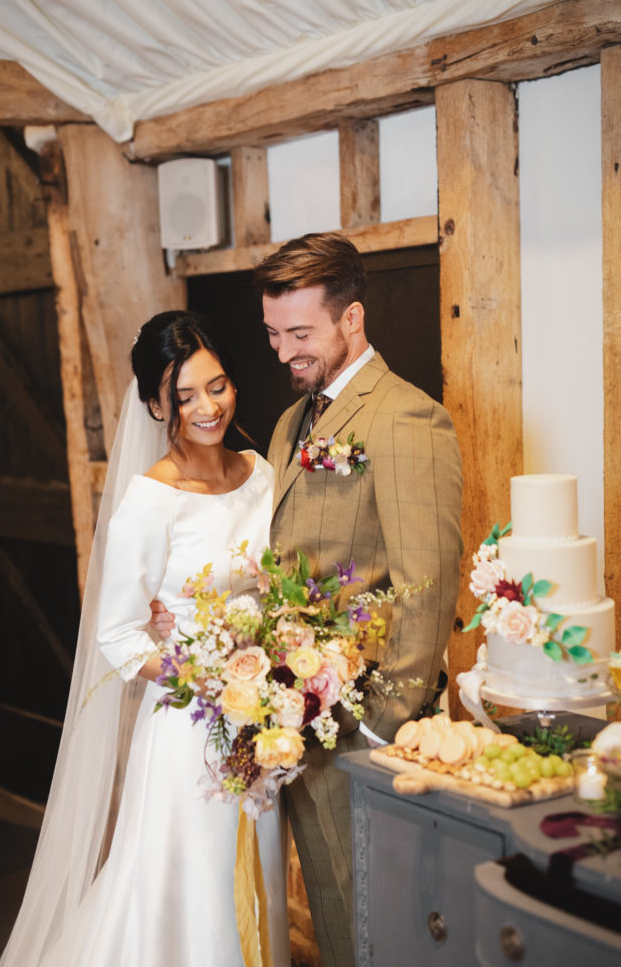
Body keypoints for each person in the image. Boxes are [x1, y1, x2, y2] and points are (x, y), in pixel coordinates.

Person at [152, 232, 463, 967]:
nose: (282, 350)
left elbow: (427, 585)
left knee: (376, 923)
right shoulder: (293, 422)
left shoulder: (406, 418)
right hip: (299, 722)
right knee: (332, 915)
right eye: (271, 334)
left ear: (350, 319)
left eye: (300, 333)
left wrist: (378, 726)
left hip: (363, 732)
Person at [0, 311, 290, 967]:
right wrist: (202, 680)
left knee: (257, 872)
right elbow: (120, 636)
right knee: (192, 885)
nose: (206, 407)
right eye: (183, 396)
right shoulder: (151, 500)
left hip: (263, 724)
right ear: (156, 404)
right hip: (189, 730)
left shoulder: (262, 473)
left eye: (215, 386)